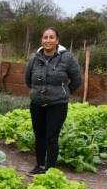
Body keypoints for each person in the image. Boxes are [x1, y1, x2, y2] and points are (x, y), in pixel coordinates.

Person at [24, 27, 82, 175]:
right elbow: (28, 79)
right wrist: (36, 92)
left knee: (51, 136)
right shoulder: (34, 58)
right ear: (41, 40)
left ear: (57, 40)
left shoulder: (67, 58)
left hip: (57, 105)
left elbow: (76, 79)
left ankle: (50, 169)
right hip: (37, 104)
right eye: (45, 37)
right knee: (39, 135)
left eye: (51, 37)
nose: (48, 40)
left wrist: (63, 92)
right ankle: (40, 165)